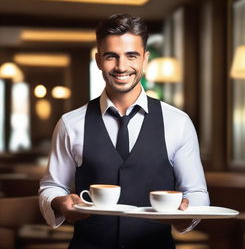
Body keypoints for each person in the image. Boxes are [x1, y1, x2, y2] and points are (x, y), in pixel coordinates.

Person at [39, 13, 210, 249]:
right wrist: (59, 203)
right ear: (99, 60)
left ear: (145, 59)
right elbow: (51, 186)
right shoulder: (70, 123)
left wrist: (185, 214)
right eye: (111, 56)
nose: (121, 66)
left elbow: (196, 191)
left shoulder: (178, 122)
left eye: (132, 56)